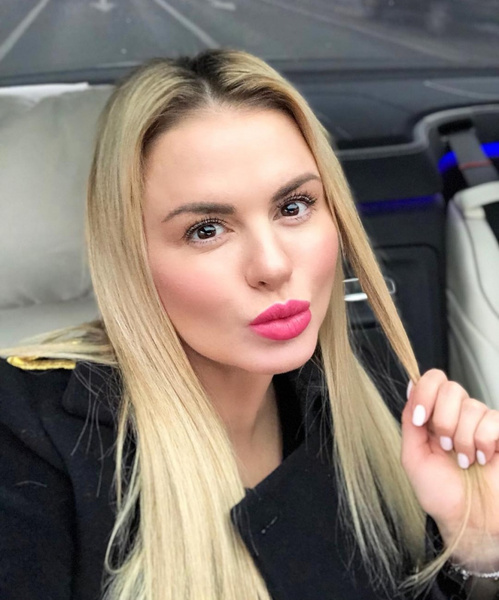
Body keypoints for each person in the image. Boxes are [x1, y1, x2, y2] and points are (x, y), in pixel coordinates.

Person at [0, 49, 498, 600]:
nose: (273, 265)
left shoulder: (354, 406)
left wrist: (475, 549)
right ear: (128, 257)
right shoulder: (24, 437)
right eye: (207, 229)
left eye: (294, 206)